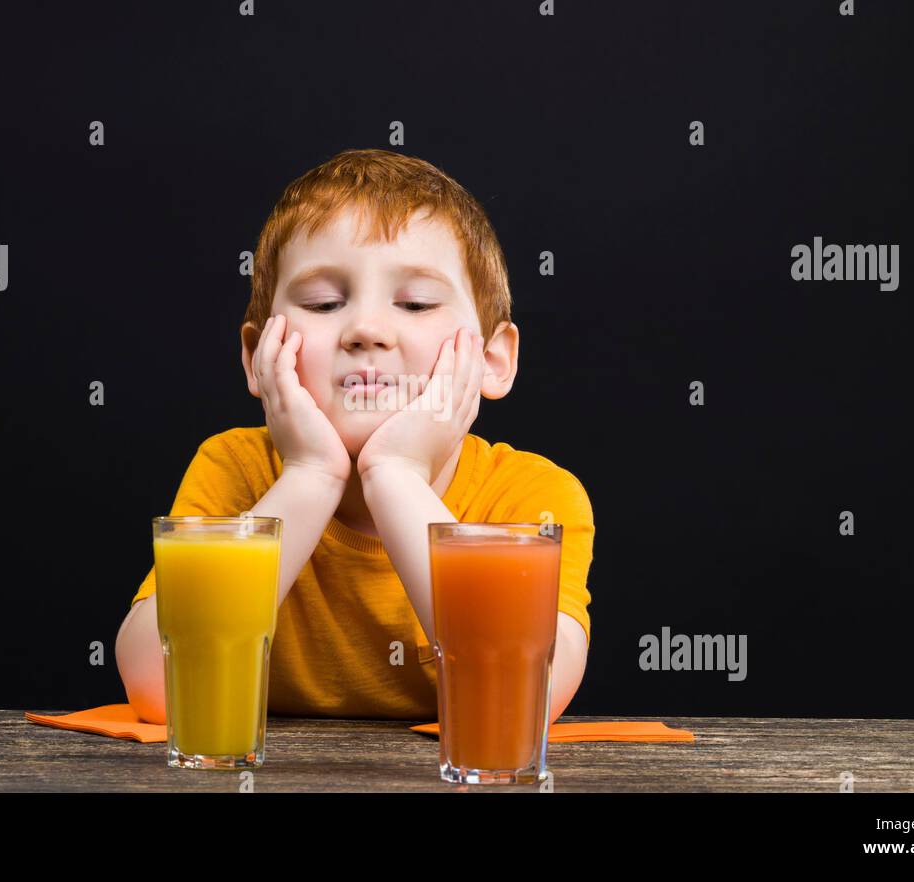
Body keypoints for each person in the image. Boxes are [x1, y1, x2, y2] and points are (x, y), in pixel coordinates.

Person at [116, 148, 593, 723]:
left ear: (493, 359)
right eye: (324, 303)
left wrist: (396, 476)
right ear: (256, 356)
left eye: (415, 302)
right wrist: (309, 476)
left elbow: (522, 698)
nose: (366, 330)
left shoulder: (529, 495)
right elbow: (157, 689)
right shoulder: (234, 470)